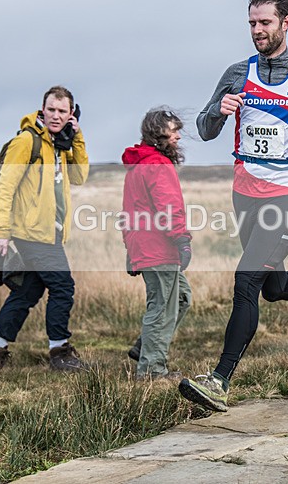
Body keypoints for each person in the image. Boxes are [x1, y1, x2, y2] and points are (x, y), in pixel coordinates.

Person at [178, 0, 288, 412]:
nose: (257, 31)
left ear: (285, 23)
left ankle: (218, 382)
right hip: (245, 189)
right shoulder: (237, 73)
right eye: (252, 23)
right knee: (271, 287)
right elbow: (204, 128)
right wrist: (220, 109)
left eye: (265, 23)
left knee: (246, 281)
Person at [0, 86, 89, 371]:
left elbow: (79, 177)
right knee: (63, 286)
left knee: (27, 292)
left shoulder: (59, 144)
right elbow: (5, 186)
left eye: (62, 111)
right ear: (42, 109)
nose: (55, 115)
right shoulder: (27, 142)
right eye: (51, 109)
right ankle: (59, 352)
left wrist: (77, 139)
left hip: (48, 232)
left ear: (71, 114)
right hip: (32, 233)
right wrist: (1, 230)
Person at [122, 107, 193, 382]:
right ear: (157, 134)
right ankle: (152, 371)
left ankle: (145, 347)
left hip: (148, 246)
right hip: (159, 247)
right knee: (162, 308)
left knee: (181, 298)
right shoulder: (156, 165)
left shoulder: (141, 164)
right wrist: (182, 240)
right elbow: (169, 207)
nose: (177, 136)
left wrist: (131, 251)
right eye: (172, 130)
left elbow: (130, 210)